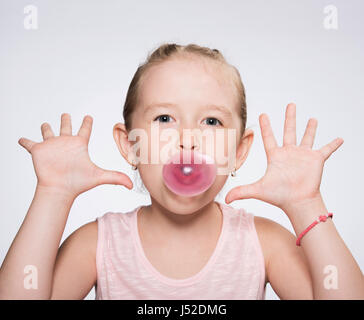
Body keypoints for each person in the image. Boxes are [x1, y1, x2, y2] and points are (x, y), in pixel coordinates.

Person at [0, 43, 363, 300]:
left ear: (238, 151)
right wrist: (52, 194)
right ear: (131, 145)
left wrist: (305, 203)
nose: (188, 139)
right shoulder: (99, 244)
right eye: (164, 118)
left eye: (211, 120)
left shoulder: (263, 243)